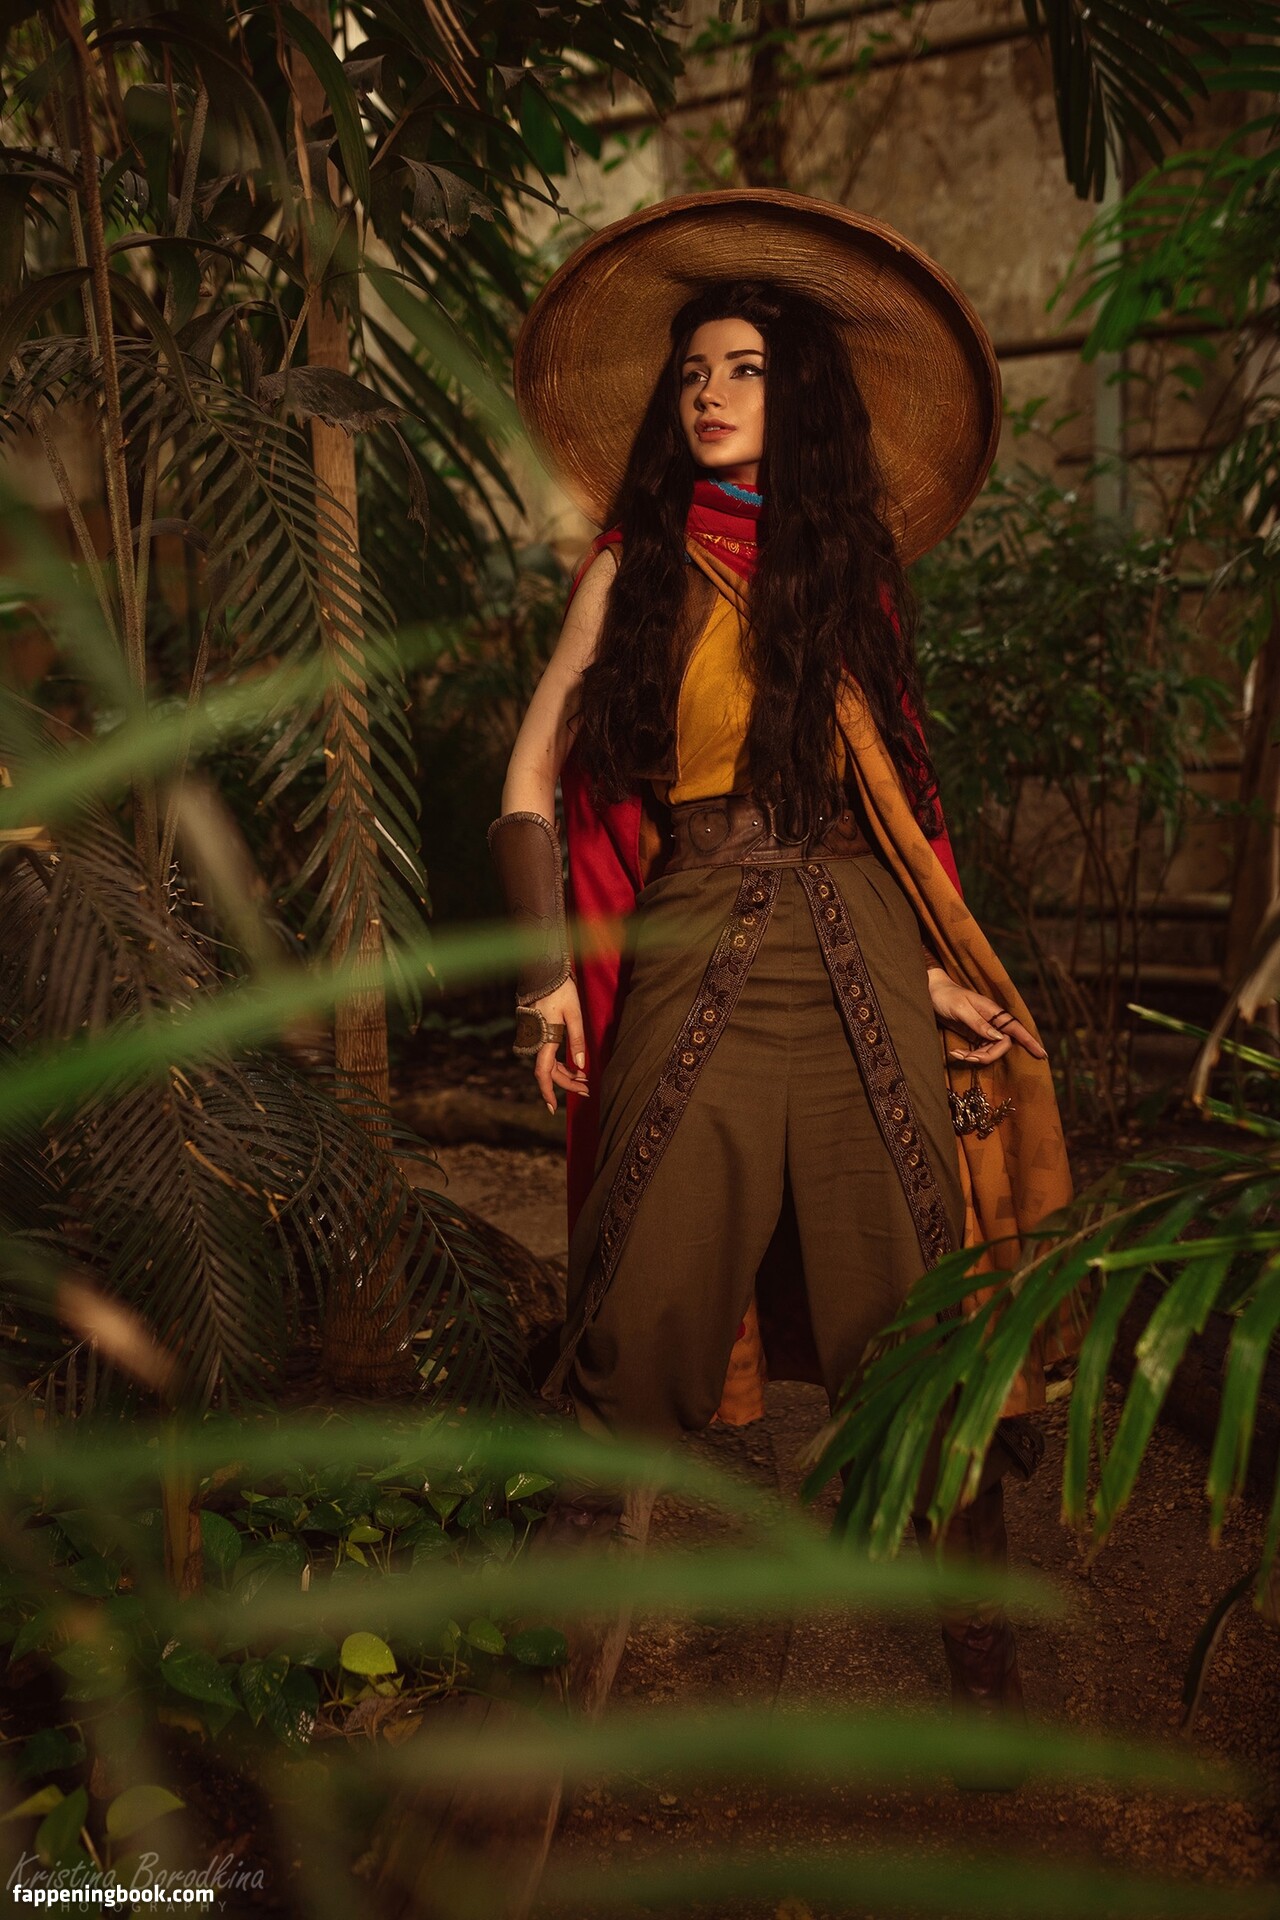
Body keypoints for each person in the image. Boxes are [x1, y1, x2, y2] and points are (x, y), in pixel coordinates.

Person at [489, 191, 1079, 1724]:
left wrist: (941, 976)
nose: (708, 392)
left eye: (741, 368)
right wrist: (547, 975)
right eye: (693, 371)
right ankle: (547, 1698)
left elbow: (893, 811)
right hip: (695, 933)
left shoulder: (851, 579)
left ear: (796, 391)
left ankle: (987, 1679)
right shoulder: (634, 565)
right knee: (640, 1296)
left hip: (865, 950)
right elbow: (531, 781)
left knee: (919, 1295)